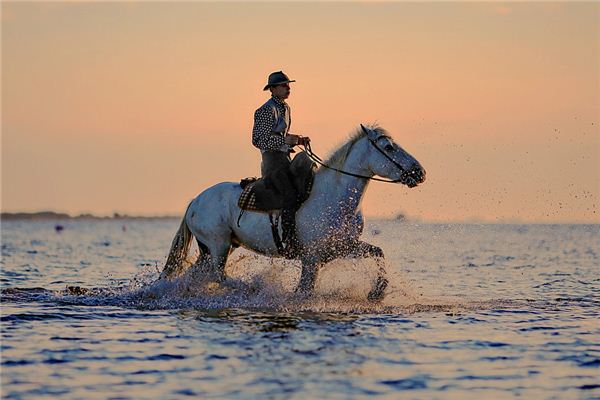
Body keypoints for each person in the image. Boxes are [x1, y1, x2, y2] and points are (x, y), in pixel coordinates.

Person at [252, 71, 310, 257]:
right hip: (273, 163)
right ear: (273, 89)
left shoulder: (286, 108)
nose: (288, 88)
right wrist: (286, 141)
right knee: (290, 195)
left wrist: (298, 140)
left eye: (288, 84)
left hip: (285, 159)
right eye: (284, 85)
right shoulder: (265, 110)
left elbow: (281, 137)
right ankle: (289, 242)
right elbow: (258, 140)